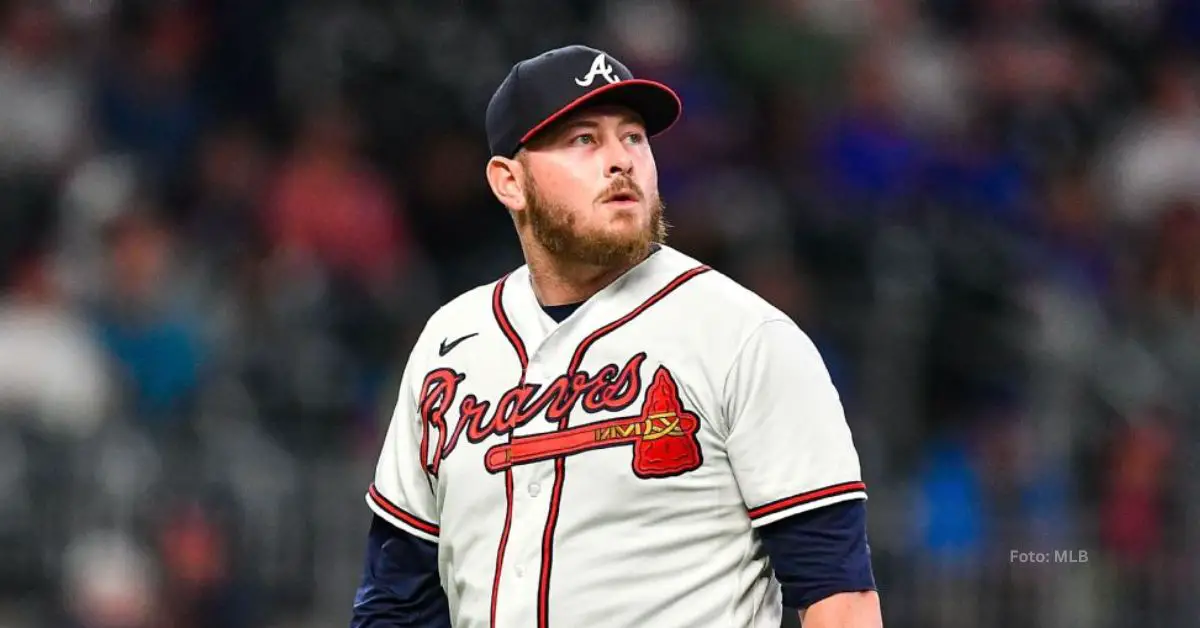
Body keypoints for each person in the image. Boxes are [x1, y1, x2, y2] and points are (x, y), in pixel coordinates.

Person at [351, 45, 882, 628]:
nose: (620, 160)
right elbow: (397, 599)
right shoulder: (450, 343)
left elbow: (840, 597)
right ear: (509, 181)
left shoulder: (745, 337)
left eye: (633, 137)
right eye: (584, 139)